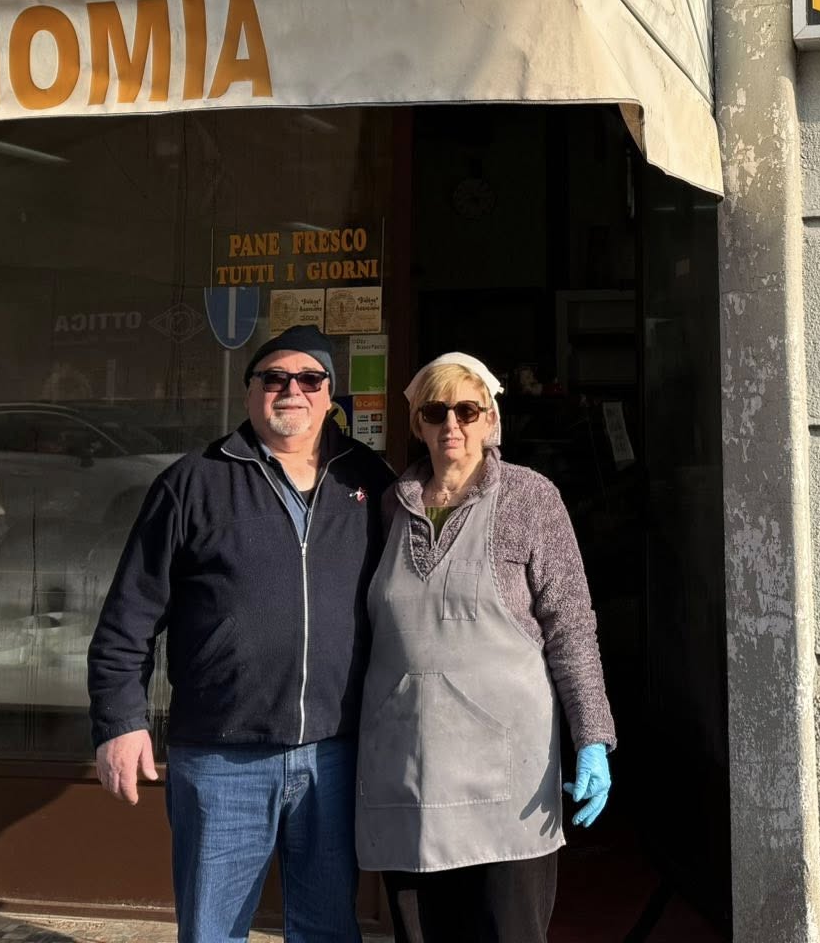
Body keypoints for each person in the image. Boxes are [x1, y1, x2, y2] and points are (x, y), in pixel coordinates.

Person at [87, 324, 395, 943]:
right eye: (274, 378)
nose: (292, 390)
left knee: (328, 929)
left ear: (330, 395)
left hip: (335, 752)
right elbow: (129, 615)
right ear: (250, 391)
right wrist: (120, 721)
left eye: (309, 379)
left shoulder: (369, 480)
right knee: (212, 930)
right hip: (221, 756)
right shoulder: (194, 481)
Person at [356, 352, 616, 943]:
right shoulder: (388, 508)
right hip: (408, 772)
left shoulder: (530, 498)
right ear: (418, 425)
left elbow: (571, 626)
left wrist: (592, 738)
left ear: (491, 420)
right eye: (435, 412)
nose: (452, 424)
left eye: (468, 411)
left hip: (508, 781)